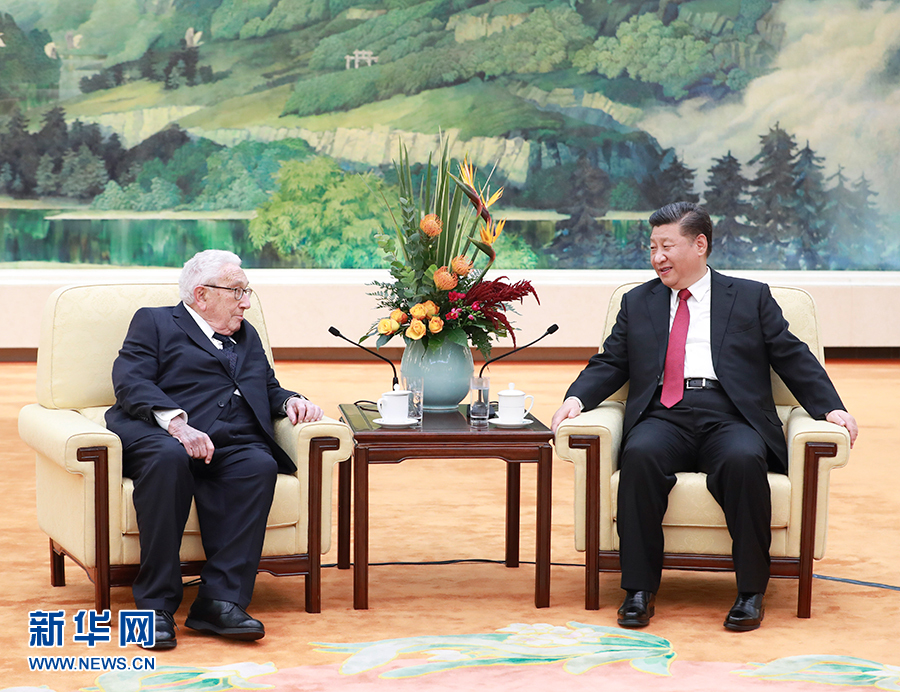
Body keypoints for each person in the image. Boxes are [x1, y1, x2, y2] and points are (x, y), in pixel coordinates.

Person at [551, 202, 858, 632]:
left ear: (699, 245)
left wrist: (830, 407)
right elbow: (612, 361)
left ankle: (751, 591)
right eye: (652, 247)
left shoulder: (749, 297)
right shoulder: (637, 301)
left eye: (667, 246)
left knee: (743, 460)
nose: (657, 256)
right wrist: (576, 398)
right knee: (639, 456)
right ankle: (638, 590)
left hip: (730, 414)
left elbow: (791, 356)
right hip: (664, 414)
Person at [106, 249, 324, 650]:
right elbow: (130, 381)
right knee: (169, 458)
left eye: (247, 291)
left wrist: (290, 400)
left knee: (258, 463)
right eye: (237, 291)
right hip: (162, 435)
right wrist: (177, 425)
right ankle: (154, 607)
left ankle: (219, 602)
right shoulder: (154, 322)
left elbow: (266, 387)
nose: (246, 302)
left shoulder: (246, 334)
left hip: (229, 441)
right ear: (201, 294)